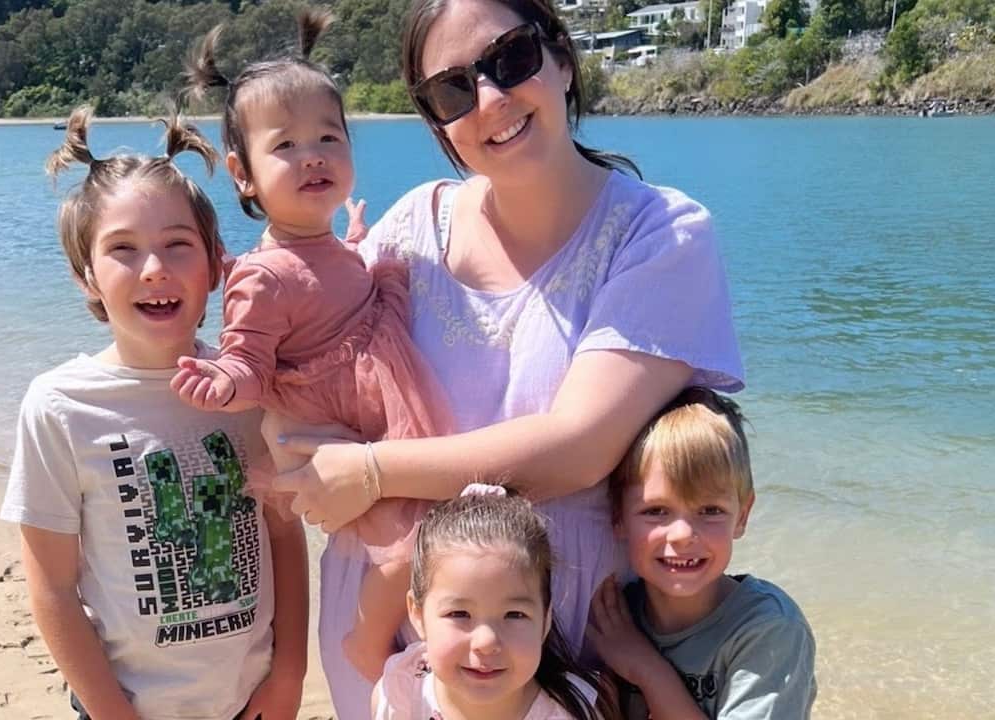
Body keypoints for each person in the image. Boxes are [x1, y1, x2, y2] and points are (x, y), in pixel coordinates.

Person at [266, 0, 744, 715]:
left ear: (562, 59)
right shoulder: (411, 227)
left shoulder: (661, 236)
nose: (489, 99)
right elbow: (305, 374)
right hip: (387, 620)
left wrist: (369, 471)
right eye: (452, 90)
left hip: (564, 628)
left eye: (510, 58)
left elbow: (579, 447)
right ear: (436, 121)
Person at [0, 106, 308, 720]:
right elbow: (53, 587)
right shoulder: (61, 406)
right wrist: (112, 712)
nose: (155, 270)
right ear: (86, 275)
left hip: (250, 698)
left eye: (177, 245)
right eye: (123, 249)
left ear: (216, 264)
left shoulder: (247, 391)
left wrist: (289, 675)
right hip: (127, 705)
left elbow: (283, 534)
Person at [173, 9, 453, 683]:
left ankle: (423, 634)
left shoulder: (331, 246)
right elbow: (249, 358)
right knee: (409, 537)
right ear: (242, 174)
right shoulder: (261, 275)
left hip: (381, 402)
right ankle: (369, 639)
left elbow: (337, 286)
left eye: (329, 137)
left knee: (433, 516)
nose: (314, 155)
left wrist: (354, 238)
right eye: (287, 145)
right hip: (341, 422)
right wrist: (223, 382)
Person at [587, 387, 816, 719]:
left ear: (743, 515)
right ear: (617, 515)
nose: (682, 535)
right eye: (656, 511)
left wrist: (648, 670)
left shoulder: (769, 629)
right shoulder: (617, 616)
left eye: (710, 510)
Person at [373, 486, 614, 719]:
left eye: (514, 614)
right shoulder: (400, 693)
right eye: (459, 613)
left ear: (545, 619)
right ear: (417, 614)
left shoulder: (571, 713)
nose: (486, 642)